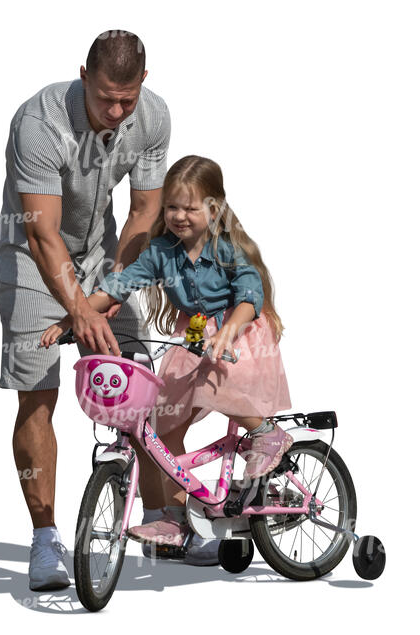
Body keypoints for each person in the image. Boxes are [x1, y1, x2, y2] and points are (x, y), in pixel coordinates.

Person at [0, 30, 173, 590]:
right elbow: (42, 232)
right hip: (28, 253)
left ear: (144, 83)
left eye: (127, 100)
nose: (116, 112)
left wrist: (108, 294)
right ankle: (45, 542)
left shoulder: (154, 117)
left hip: (103, 253)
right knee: (38, 392)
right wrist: (77, 310)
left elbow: (143, 215)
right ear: (84, 76)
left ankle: (163, 524)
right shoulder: (39, 122)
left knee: (136, 378)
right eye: (105, 99)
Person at [41, 155, 292, 554]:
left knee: (222, 388)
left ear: (214, 208)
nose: (179, 215)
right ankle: (173, 521)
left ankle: (267, 434)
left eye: (190, 208)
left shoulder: (226, 250)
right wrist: (78, 316)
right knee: (165, 426)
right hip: (194, 340)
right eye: (171, 207)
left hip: (237, 336)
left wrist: (228, 330)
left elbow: (250, 295)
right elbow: (120, 284)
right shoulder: (161, 252)